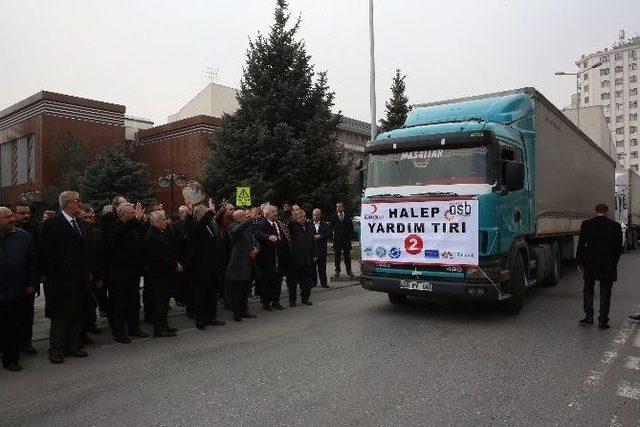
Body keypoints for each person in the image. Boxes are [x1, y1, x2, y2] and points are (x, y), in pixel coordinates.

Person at [40, 191, 91, 364]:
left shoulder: (80, 224)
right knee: (60, 317)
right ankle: (56, 349)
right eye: (77, 201)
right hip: (60, 280)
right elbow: (46, 252)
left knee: (77, 313)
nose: (80, 204)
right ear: (68, 203)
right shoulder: (52, 224)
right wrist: (64, 265)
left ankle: (73, 345)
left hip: (79, 279)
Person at [0, 207, 38, 371]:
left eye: (11, 216)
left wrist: (31, 284)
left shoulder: (23, 237)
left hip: (15, 290)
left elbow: (32, 263)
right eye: (7, 217)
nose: (12, 219)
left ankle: (11, 359)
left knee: (13, 325)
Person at [107, 202, 149, 343]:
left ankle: (134, 327)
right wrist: (136, 219)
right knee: (118, 304)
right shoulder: (115, 225)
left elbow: (141, 234)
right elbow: (120, 232)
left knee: (134, 302)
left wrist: (140, 220)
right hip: (118, 274)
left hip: (133, 272)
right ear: (122, 214)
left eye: (133, 213)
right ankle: (119, 333)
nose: (134, 215)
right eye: (131, 213)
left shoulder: (132, 226)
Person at [576, 203, 623, 329]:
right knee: (605, 292)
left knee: (588, 289)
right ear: (607, 212)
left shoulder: (586, 224)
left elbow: (581, 245)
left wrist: (579, 262)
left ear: (594, 211)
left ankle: (589, 317)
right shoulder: (616, 226)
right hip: (608, 263)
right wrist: (614, 262)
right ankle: (603, 321)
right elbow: (619, 248)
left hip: (590, 262)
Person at [143, 210, 182, 337]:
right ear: (157, 222)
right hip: (157, 275)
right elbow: (157, 257)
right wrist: (174, 264)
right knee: (160, 303)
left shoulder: (162, 232)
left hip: (165, 274)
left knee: (165, 302)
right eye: (164, 219)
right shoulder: (151, 236)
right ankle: (159, 329)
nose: (166, 221)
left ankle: (164, 325)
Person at [188, 202, 225, 330]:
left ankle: (211, 317)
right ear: (198, 214)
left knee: (211, 292)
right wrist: (210, 212)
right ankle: (200, 319)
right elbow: (197, 228)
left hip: (212, 264)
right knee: (200, 294)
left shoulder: (210, 225)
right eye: (205, 214)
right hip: (199, 266)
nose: (208, 216)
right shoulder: (193, 223)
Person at [13, 203, 40, 355]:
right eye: (22, 213)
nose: (26, 216)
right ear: (14, 214)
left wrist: (34, 282)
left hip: (28, 282)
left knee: (27, 315)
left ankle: (26, 343)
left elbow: (35, 259)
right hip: (10, 283)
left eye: (27, 213)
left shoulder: (34, 230)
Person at [226, 209, 260, 321]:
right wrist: (250, 219)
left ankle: (244, 310)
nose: (246, 216)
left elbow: (253, 239)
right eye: (244, 215)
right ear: (238, 218)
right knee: (237, 289)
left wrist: (256, 249)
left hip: (248, 261)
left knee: (246, 288)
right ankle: (237, 312)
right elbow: (236, 231)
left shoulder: (246, 227)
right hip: (238, 263)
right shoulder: (233, 226)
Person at [78, 206, 105, 340]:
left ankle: (91, 324)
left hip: (95, 273)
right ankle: (82, 331)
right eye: (85, 218)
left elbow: (100, 256)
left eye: (90, 217)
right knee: (83, 304)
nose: (88, 220)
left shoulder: (96, 233)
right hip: (82, 274)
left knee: (93, 302)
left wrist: (99, 276)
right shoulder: (77, 233)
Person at [255, 204, 288, 311]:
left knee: (278, 280)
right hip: (267, 258)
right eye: (273, 212)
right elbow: (258, 234)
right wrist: (268, 237)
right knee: (267, 281)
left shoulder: (278, 224)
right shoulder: (261, 224)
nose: (275, 213)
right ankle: (266, 302)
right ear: (267, 213)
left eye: (276, 211)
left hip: (279, 257)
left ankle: (276, 301)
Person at [288, 209, 318, 306]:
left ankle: (305, 298)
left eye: (304, 216)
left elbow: (313, 241)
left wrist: (314, 254)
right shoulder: (292, 226)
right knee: (293, 282)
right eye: (300, 217)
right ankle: (292, 300)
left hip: (307, 258)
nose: (302, 218)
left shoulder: (309, 225)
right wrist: (292, 213)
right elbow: (287, 223)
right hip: (296, 258)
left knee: (307, 281)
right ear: (295, 218)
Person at [329, 202, 355, 278]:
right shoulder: (333, 216)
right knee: (337, 256)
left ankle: (349, 270)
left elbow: (351, 227)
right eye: (337, 207)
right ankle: (337, 270)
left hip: (346, 239)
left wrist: (351, 237)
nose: (338, 208)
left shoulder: (347, 216)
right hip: (337, 239)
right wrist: (331, 238)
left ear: (343, 207)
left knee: (347, 256)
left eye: (340, 206)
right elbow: (331, 228)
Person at [311, 208, 331, 288]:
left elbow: (328, 233)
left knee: (322, 268)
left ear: (320, 215)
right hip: (312, 250)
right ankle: (314, 282)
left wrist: (320, 236)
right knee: (312, 268)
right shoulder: (309, 224)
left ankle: (324, 283)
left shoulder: (325, 224)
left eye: (317, 215)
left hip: (322, 249)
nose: (315, 216)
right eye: (314, 215)